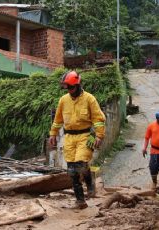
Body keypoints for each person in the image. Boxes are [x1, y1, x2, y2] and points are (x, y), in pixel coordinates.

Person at [49, 71, 106, 209]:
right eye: (67, 88)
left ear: (78, 85)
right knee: (72, 172)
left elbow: (98, 120)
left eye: (71, 87)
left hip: (87, 135)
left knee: (81, 164)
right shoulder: (63, 100)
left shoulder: (89, 99)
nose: (69, 90)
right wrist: (53, 134)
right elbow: (57, 120)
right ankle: (80, 200)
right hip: (69, 137)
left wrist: (99, 136)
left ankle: (89, 181)